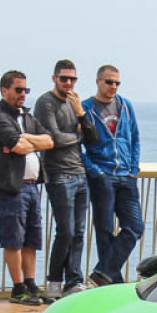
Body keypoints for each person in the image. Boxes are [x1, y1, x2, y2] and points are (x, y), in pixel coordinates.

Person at [0, 70, 55, 305]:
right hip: (10, 187)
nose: (23, 94)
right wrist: (25, 142)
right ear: (4, 90)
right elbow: (19, 146)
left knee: (31, 238)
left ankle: (31, 283)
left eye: (26, 90)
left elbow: (49, 141)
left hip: (32, 186)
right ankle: (17, 288)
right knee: (13, 239)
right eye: (18, 90)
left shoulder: (26, 116)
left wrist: (27, 138)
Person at [33, 59, 98, 298]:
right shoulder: (45, 103)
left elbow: (93, 137)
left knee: (80, 231)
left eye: (72, 79)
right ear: (54, 79)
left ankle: (74, 280)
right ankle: (54, 280)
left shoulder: (75, 104)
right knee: (66, 230)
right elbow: (54, 138)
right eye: (64, 79)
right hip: (59, 173)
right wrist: (77, 136)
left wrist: (81, 114)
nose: (68, 84)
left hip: (80, 173)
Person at [81, 64, 143, 286]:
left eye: (117, 82)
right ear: (98, 82)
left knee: (136, 227)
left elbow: (134, 138)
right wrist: (95, 171)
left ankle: (101, 273)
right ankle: (112, 281)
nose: (113, 86)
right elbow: (77, 147)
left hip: (126, 175)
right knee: (104, 230)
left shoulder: (126, 106)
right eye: (109, 82)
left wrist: (134, 170)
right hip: (102, 175)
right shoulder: (86, 108)